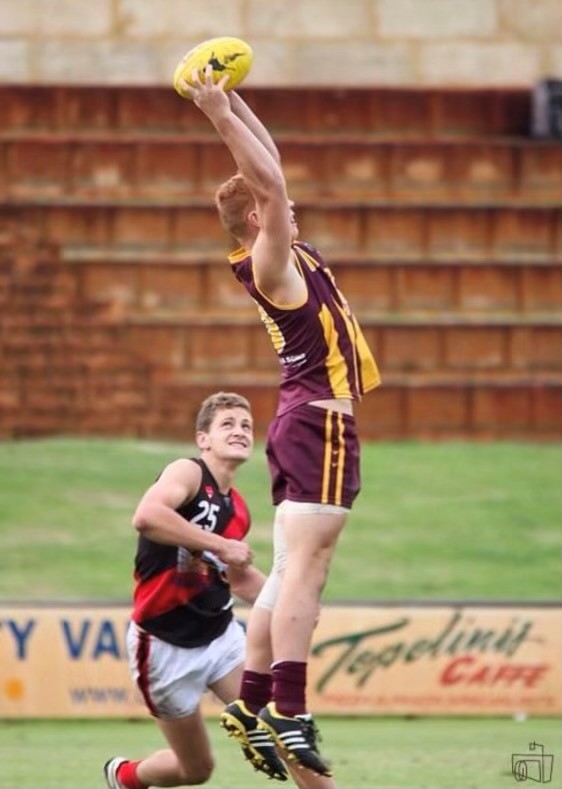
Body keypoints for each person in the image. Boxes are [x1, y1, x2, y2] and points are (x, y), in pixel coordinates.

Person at [179, 69, 380, 782]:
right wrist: (213, 115)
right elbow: (267, 183)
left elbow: (273, 177)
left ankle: (253, 700)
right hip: (319, 423)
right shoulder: (270, 262)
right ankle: (289, 709)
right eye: (275, 205)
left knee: (292, 567)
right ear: (261, 219)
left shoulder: (276, 249)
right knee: (310, 571)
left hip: (299, 421)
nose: (286, 204)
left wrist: (232, 101)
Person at [103, 391, 333, 789]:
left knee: (281, 729)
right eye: (227, 424)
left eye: (246, 425)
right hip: (162, 646)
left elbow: (239, 579)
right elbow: (147, 516)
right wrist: (220, 544)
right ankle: (124, 777)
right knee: (196, 771)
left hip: (221, 639)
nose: (240, 431)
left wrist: (295, 602)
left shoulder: (238, 508)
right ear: (202, 439)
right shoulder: (187, 472)